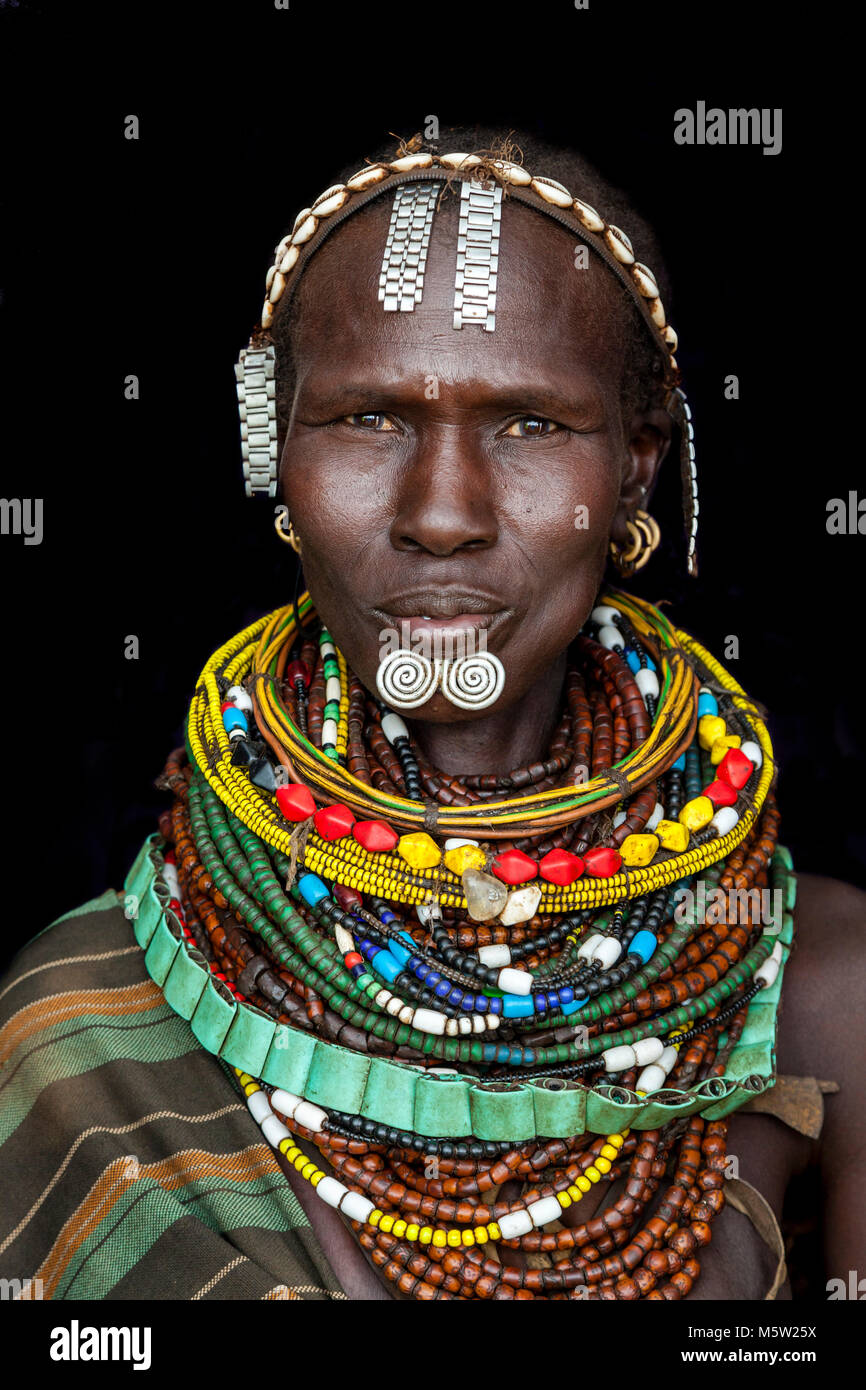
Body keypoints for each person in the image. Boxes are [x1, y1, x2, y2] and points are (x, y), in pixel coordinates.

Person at [2, 127, 864, 1303]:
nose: (442, 512)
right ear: (276, 458)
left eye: (528, 424)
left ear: (636, 469)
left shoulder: (816, 982)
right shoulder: (83, 1026)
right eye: (368, 418)